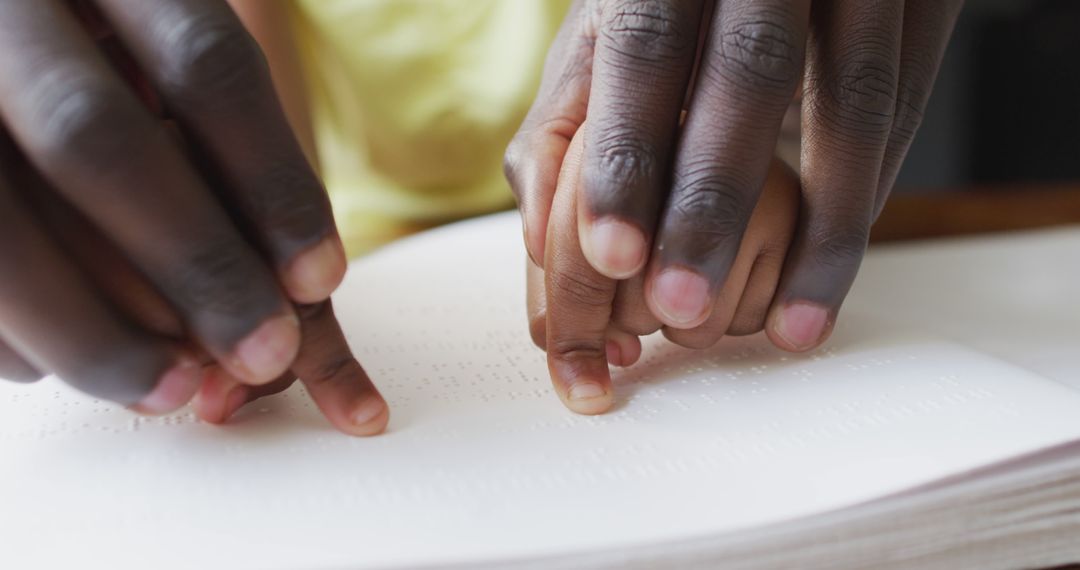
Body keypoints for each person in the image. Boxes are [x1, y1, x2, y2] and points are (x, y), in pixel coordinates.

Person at [0, 0, 962, 433]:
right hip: (372, 268)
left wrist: (754, 160)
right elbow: (250, 152)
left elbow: (737, 68)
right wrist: (203, 246)